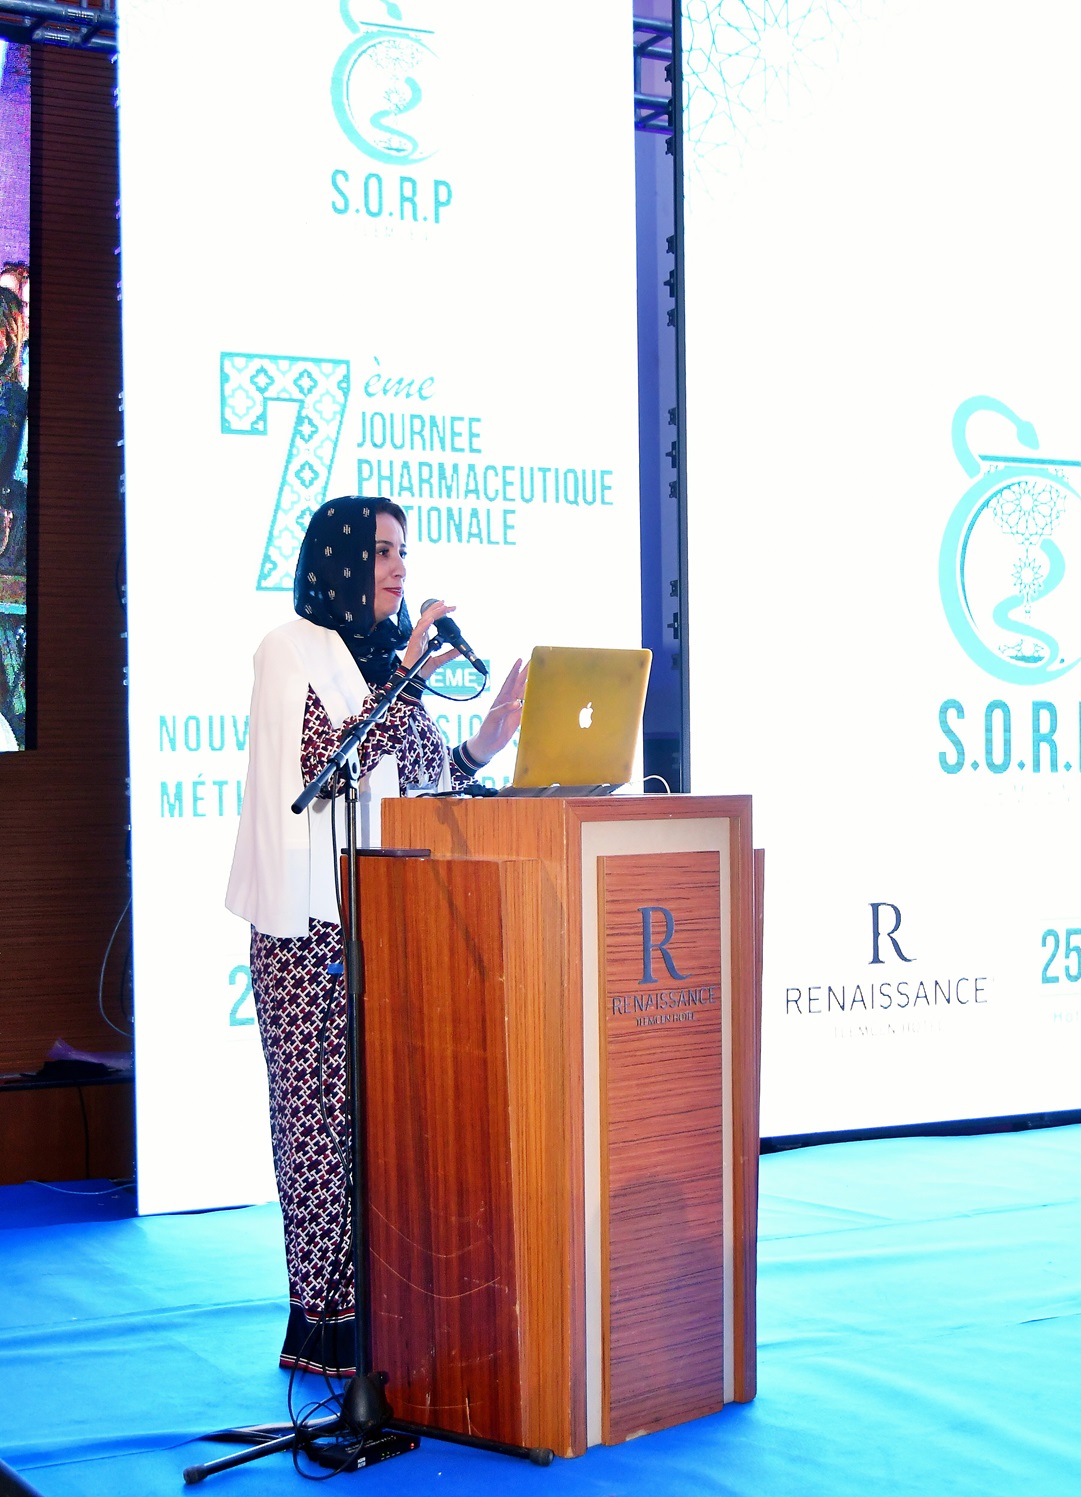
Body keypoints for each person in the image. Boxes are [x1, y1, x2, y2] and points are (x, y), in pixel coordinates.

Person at [226, 494, 526, 1376]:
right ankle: (326, 1330)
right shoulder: (289, 649)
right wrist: (405, 671)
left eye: (403, 552)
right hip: (307, 934)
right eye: (382, 551)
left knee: (386, 1127)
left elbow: (419, 787)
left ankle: (390, 1318)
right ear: (339, 560)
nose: (398, 568)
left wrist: (483, 745)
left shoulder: (385, 665)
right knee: (319, 1129)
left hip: (386, 924)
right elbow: (329, 765)